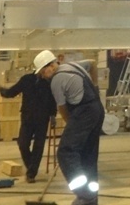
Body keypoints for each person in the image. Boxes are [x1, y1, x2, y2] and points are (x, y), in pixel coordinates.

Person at [36, 51, 105, 205]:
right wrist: (95, 87)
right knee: (87, 156)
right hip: (97, 109)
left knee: (65, 152)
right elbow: (93, 63)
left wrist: (71, 126)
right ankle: (91, 200)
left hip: (84, 112)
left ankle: (84, 195)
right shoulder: (73, 65)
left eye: (43, 71)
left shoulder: (56, 80)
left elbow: (62, 108)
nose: (43, 76)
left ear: (51, 65)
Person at [0, 54, 57, 183]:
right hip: (27, 118)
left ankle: (31, 174)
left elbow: (53, 101)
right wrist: (2, 91)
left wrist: (53, 115)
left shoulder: (51, 83)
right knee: (23, 143)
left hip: (43, 119)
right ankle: (31, 166)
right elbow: (13, 92)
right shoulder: (27, 80)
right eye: (50, 67)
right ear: (43, 68)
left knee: (38, 146)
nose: (52, 70)